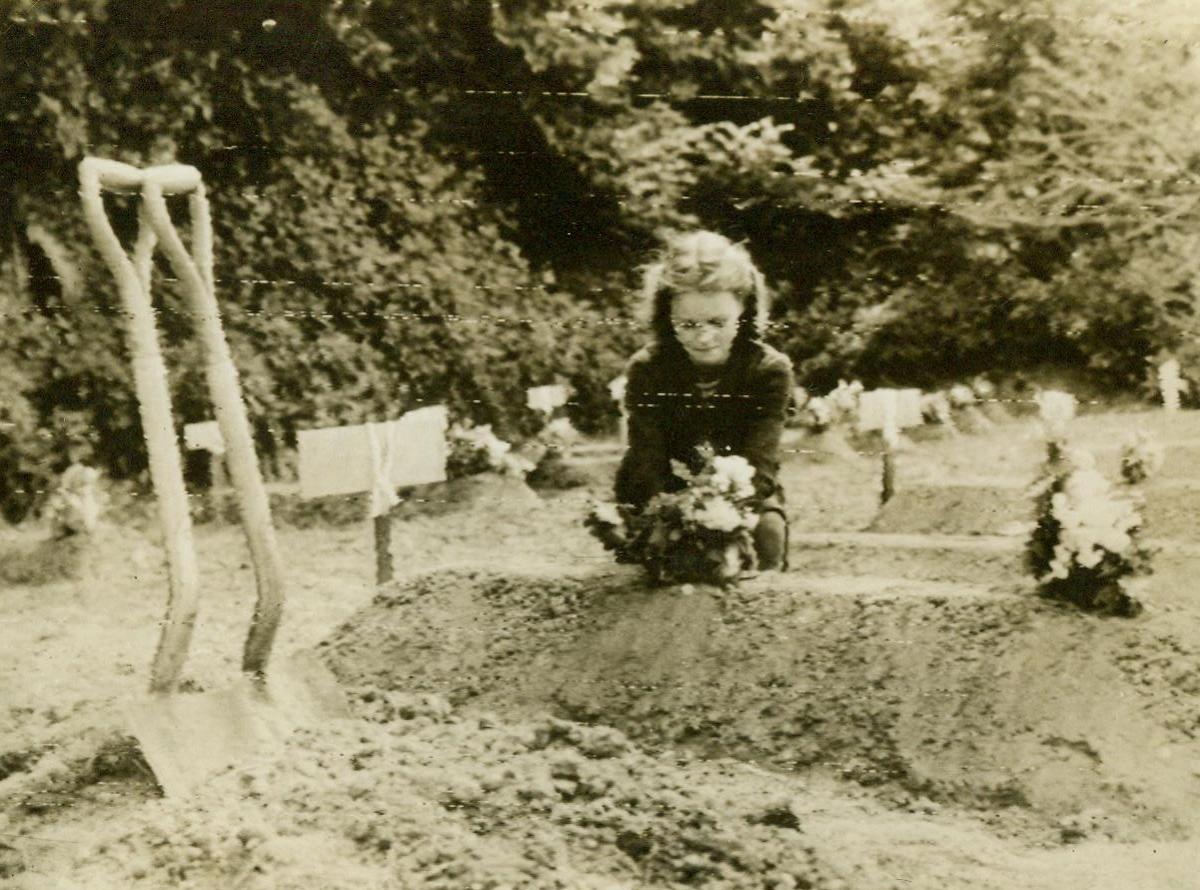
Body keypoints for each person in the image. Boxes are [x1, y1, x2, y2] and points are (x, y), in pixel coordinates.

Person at [614, 230, 794, 571]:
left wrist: (725, 510)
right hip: (662, 490)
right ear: (667, 317)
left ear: (745, 309)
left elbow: (762, 459)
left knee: (767, 538)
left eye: (718, 322)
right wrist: (671, 509)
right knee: (655, 554)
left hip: (742, 491)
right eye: (688, 324)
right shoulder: (648, 368)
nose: (704, 337)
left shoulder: (769, 370)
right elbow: (645, 455)